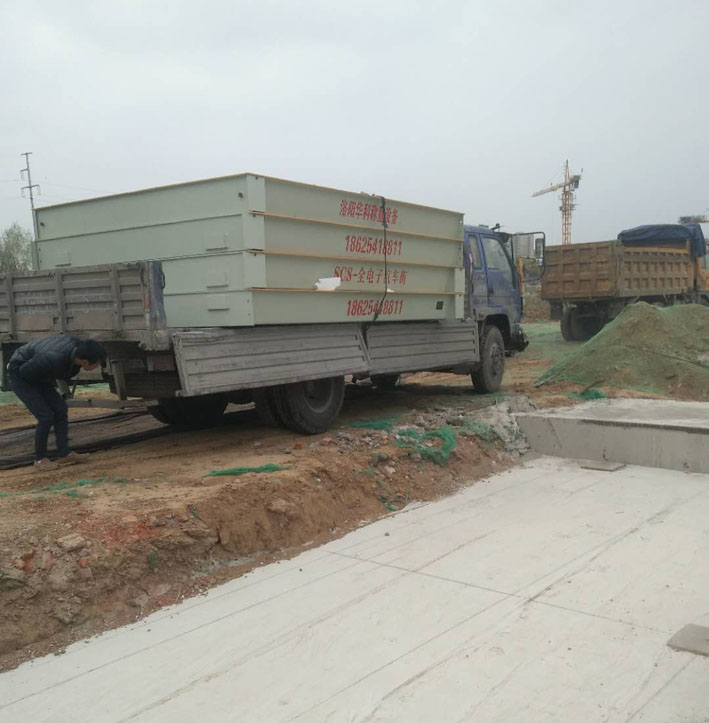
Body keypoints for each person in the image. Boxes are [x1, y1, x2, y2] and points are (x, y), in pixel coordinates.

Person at [6, 336, 107, 470]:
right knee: (45, 416)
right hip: (20, 373)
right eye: (96, 364)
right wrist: (40, 394)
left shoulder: (75, 352)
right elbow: (25, 373)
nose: (96, 367)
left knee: (60, 408)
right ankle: (40, 459)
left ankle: (64, 453)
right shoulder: (52, 358)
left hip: (38, 372)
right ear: (85, 362)